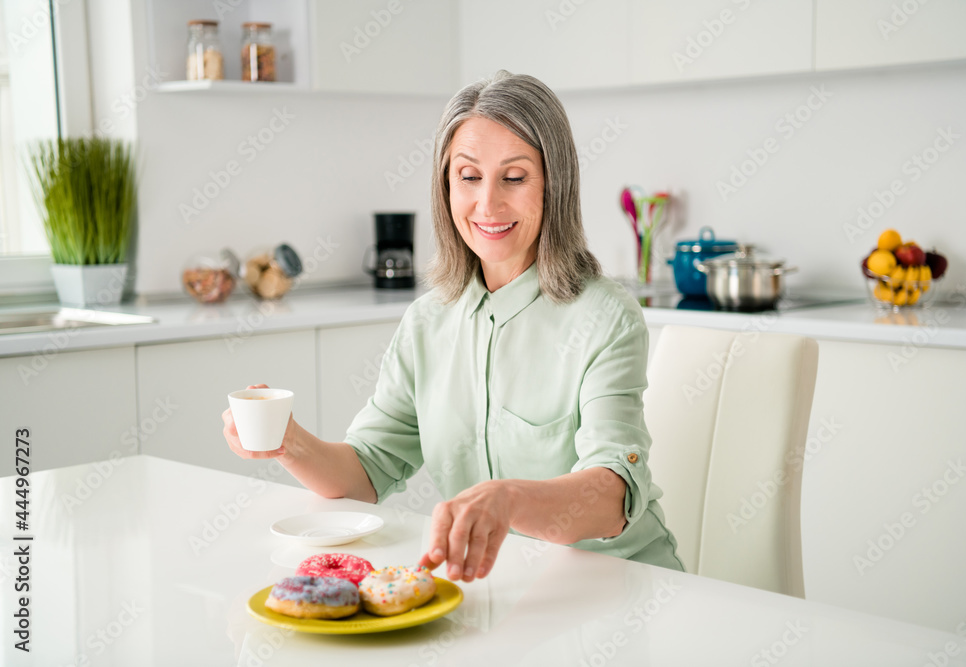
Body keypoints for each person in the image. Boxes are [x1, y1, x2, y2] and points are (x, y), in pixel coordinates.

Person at [223, 70, 683, 582]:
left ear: (554, 185)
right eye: (468, 176)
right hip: (505, 589)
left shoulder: (604, 317)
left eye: (514, 177)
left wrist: (507, 499)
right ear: (446, 186)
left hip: (624, 586)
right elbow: (366, 471)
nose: (488, 204)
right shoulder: (428, 321)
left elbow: (613, 495)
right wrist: (288, 442)